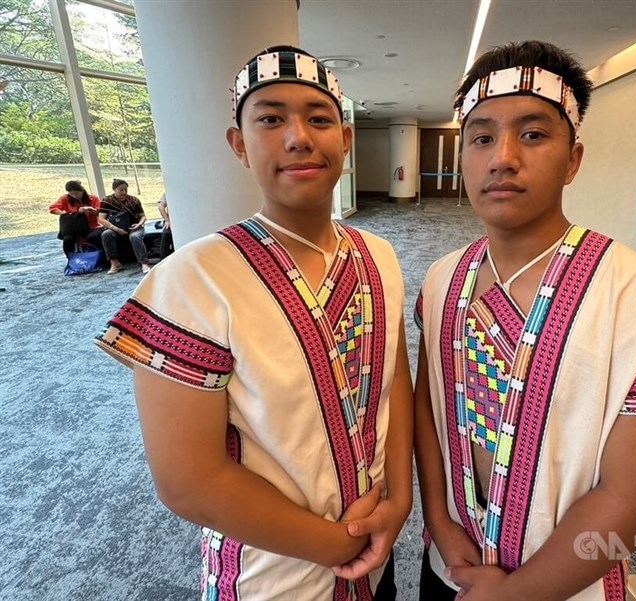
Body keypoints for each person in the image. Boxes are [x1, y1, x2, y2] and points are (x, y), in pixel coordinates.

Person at [413, 40, 636, 601]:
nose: (502, 157)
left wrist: (518, 593)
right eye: (481, 137)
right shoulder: (442, 279)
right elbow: (430, 412)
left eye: (532, 134)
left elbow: (634, 501)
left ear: (573, 159)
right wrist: (443, 528)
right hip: (450, 565)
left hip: (569, 586)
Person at [95, 45, 412, 600]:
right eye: (270, 119)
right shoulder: (195, 279)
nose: (299, 137)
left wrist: (400, 500)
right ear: (239, 145)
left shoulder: (380, 255)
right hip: (272, 576)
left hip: (376, 555)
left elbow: (395, 386)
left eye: (319, 118)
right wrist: (336, 544)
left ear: (346, 138)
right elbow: (189, 482)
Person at [98, 178, 150, 274]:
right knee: (106, 234)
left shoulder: (134, 200)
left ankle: (144, 263)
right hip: (115, 227)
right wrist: (115, 228)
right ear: (114, 189)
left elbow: (143, 216)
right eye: (120, 190)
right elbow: (101, 219)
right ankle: (115, 263)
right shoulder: (107, 201)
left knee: (135, 236)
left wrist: (139, 224)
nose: (124, 192)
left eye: (125, 190)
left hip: (134, 228)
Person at [48, 180, 103, 257]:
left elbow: (100, 212)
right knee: (68, 239)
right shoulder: (65, 198)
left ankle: (99, 257)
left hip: (92, 227)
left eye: (76, 193)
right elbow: (52, 208)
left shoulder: (93, 199)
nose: (74, 196)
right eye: (71, 194)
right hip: (74, 228)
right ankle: (71, 259)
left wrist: (91, 210)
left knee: (93, 237)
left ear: (82, 191)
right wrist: (62, 213)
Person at [156, 192, 174, 260]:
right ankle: (163, 261)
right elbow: (160, 206)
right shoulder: (169, 191)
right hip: (172, 220)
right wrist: (167, 220)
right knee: (167, 234)